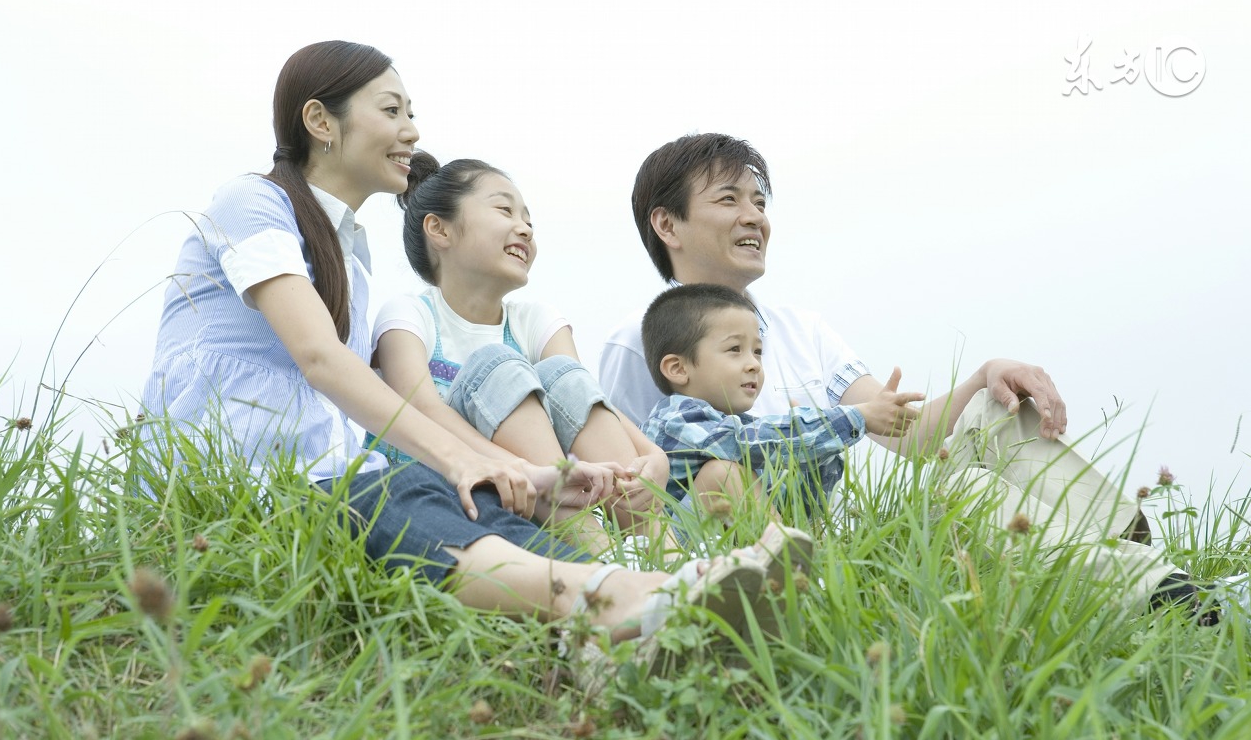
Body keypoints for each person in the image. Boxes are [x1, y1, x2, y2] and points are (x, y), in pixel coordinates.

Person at [139, 43, 805, 677]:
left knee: (473, 509)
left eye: (412, 113)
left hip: (328, 475)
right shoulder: (254, 203)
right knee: (395, 494)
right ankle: (636, 593)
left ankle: (622, 631)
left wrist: (517, 475)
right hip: (237, 478)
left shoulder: (351, 254)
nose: (411, 130)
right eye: (392, 110)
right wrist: (470, 457)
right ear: (320, 120)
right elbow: (319, 359)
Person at [599, 132, 1215, 620]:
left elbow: (908, 436)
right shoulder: (638, 343)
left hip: (844, 532)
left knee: (994, 411)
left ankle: (1156, 573)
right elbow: (634, 500)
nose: (754, 217)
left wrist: (982, 376)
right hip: (784, 554)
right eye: (729, 200)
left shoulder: (803, 328)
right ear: (667, 224)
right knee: (962, 492)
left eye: (759, 200)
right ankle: (1156, 596)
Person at [366, 155, 673, 556]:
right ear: (439, 229)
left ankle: (665, 554)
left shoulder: (535, 319)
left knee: (561, 371)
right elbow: (419, 409)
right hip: (443, 481)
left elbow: (585, 397)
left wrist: (653, 456)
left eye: (529, 219)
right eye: (504, 210)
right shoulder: (409, 314)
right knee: (499, 367)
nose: (525, 228)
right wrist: (526, 471)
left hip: (536, 489)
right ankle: (601, 555)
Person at [639, 284, 922, 525]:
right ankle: (794, 567)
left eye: (758, 351)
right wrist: (855, 417)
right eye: (734, 349)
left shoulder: (738, 430)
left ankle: (794, 567)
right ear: (678, 368)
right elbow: (748, 443)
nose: (753, 364)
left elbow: (798, 509)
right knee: (723, 474)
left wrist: (815, 457)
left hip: (726, 563)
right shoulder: (676, 420)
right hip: (674, 555)